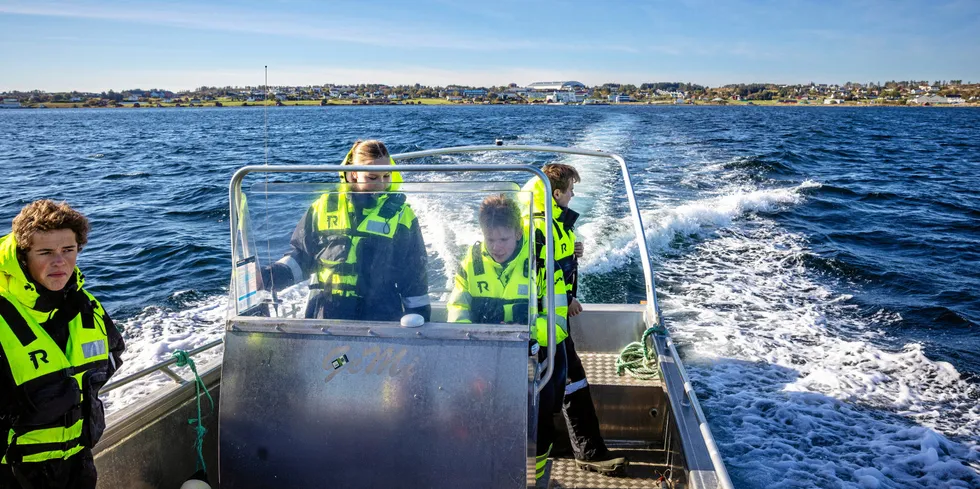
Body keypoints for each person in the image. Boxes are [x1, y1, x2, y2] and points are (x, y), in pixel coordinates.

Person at [0, 200, 125, 489]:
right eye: (45, 252)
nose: (60, 262)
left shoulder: (87, 307)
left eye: (68, 250)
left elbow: (111, 356)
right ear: (22, 256)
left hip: (78, 463)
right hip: (14, 473)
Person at [447, 194, 568, 481]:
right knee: (475, 416)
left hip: (530, 360)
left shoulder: (542, 263)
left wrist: (520, 332)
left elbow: (558, 321)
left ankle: (533, 479)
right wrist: (467, 333)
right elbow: (457, 305)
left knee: (537, 424)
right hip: (484, 357)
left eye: (503, 240)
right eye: (490, 240)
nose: (496, 248)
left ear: (518, 232)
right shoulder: (472, 260)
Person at [522, 164, 628, 476]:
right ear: (556, 194)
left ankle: (587, 450)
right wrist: (566, 300)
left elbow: (556, 263)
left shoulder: (556, 224)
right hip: (541, 329)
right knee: (565, 386)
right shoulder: (538, 227)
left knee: (572, 382)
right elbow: (538, 279)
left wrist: (574, 250)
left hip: (554, 326)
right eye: (570, 191)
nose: (574, 195)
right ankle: (583, 454)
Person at [261, 140, 430, 321]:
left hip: (381, 317)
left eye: (387, 176)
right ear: (354, 174)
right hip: (327, 315)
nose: (382, 184)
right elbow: (303, 256)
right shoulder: (324, 206)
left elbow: (413, 273)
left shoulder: (403, 215)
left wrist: (419, 318)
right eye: (372, 178)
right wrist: (267, 276)